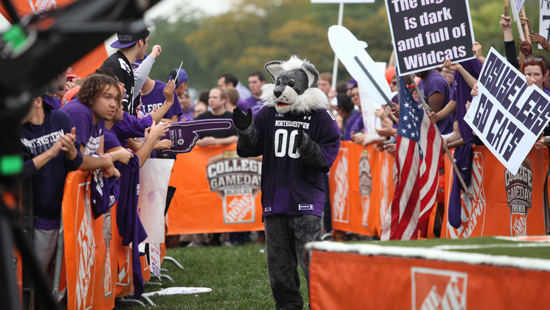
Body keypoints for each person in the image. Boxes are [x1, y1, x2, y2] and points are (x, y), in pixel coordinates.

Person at [233, 56, 340, 310]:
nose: (281, 90)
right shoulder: (268, 113)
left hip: (306, 201)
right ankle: (288, 306)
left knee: (311, 262)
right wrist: (246, 132)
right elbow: (249, 149)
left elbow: (326, 158)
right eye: (279, 83)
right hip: (275, 200)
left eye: (289, 84)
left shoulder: (320, 118)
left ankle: (323, 304)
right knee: (279, 266)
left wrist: (308, 147)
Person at [20, 89, 83, 273]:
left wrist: (71, 150)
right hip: (36, 217)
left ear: (38, 101)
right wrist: (50, 153)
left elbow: (77, 162)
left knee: (62, 274)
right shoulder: (12, 131)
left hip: (68, 213)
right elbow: (13, 170)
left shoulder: (60, 119)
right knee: (35, 275)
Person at [60, 73, 121, 178]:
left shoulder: (100, 113)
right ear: (91, 97)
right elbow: (78, 161)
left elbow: (98, 154)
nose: (114, 104)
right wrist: (106, 162)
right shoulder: (79, 112)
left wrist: (105, 162)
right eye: (107, 97)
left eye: (116, 99)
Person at [100, 25, 149, 115]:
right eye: (147, 41)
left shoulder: (123, 65)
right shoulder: (118, 67)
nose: (147, 46)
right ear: (140, 42)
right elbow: (120, 116)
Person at [416, 69, 453, 135]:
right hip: (433, 134)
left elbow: (431, 113)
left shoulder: (435, 81)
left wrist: (408, 112)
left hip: (444, 134)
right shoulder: (421, 82)